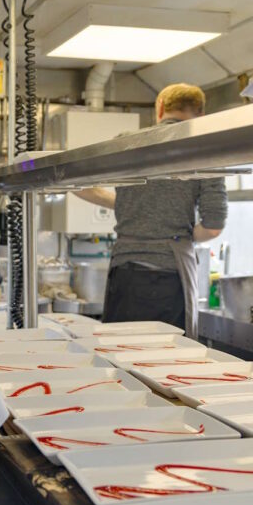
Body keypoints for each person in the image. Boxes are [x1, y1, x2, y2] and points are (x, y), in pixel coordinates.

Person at [76, 83, 227, 338]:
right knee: (164, 361)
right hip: (169, 278)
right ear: (201, 114)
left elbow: (78, 184)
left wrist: (130, 206)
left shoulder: (128, 143)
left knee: (120, 358)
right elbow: (213, 226)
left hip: (124, 274)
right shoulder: (205, 148)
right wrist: (180, 236)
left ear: (160, 108)